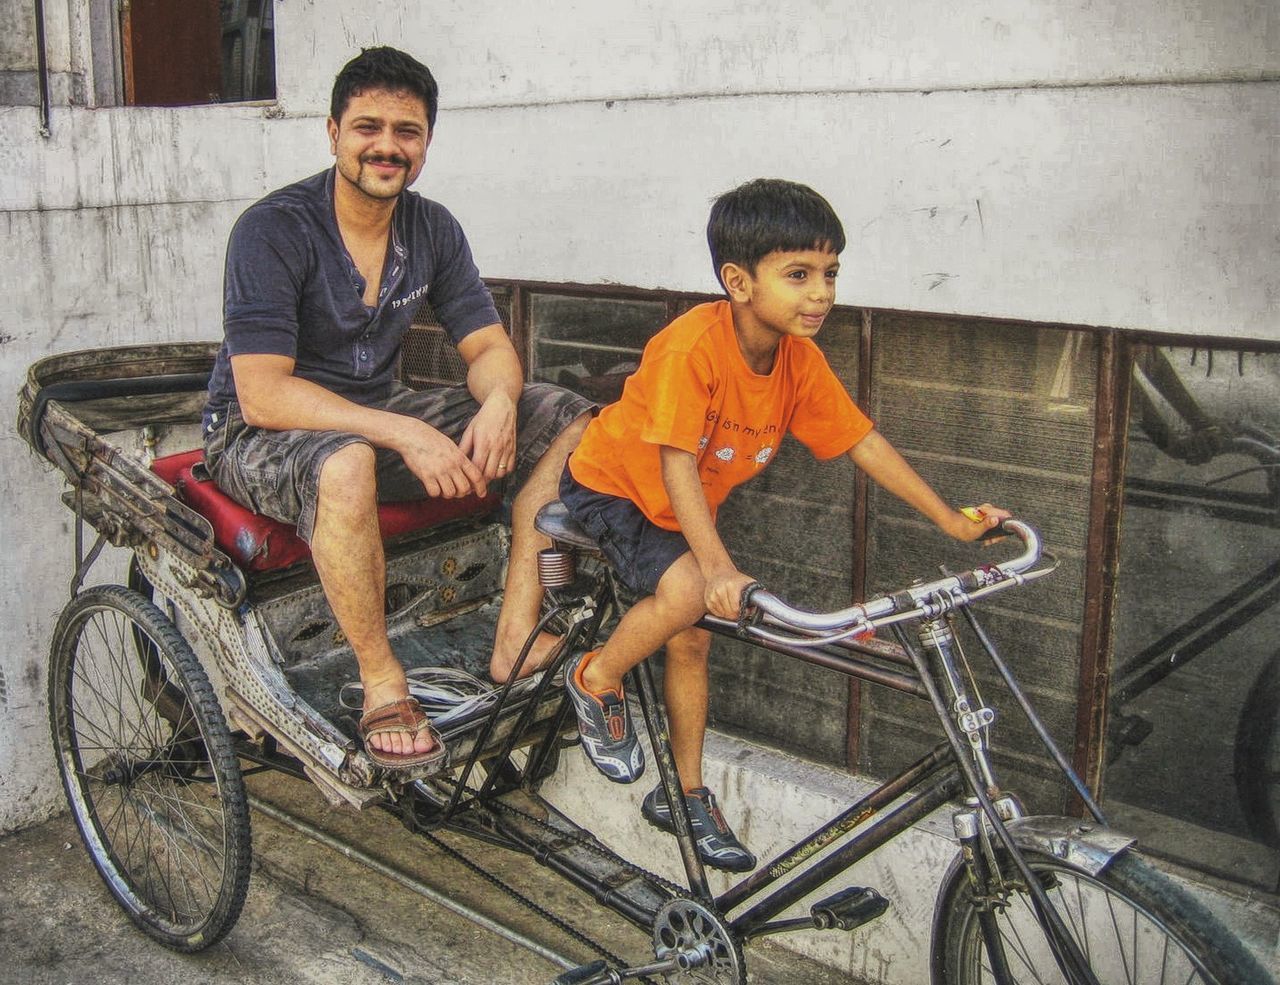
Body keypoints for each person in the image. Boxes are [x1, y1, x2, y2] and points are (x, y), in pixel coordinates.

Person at [559, 178, 1008, 871]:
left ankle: (683, 791)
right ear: (738, 281)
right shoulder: (692, 348)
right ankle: (595, 677)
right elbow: (675, 464)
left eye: (830, 273)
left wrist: (953, 521)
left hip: (684, 506)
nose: (821, 292)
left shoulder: (798, 359)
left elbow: (862, 441)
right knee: (685, 599)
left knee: (693, 639)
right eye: (798, 274)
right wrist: (714, 569)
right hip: (615, 485)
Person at [201, 47, 592, 771]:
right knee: (348, 461)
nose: (387, 146)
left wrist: (503, 401)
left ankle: (514, 633)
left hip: (371, 411)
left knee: (565, 414)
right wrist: (405, 431)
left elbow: (488, 349)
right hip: (260, 433)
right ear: (333, 133)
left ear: (426, 144)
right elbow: (263, 392)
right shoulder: (274, 230)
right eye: (368, 127)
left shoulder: (431, 228)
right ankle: (383, 679)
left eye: (406, 131)